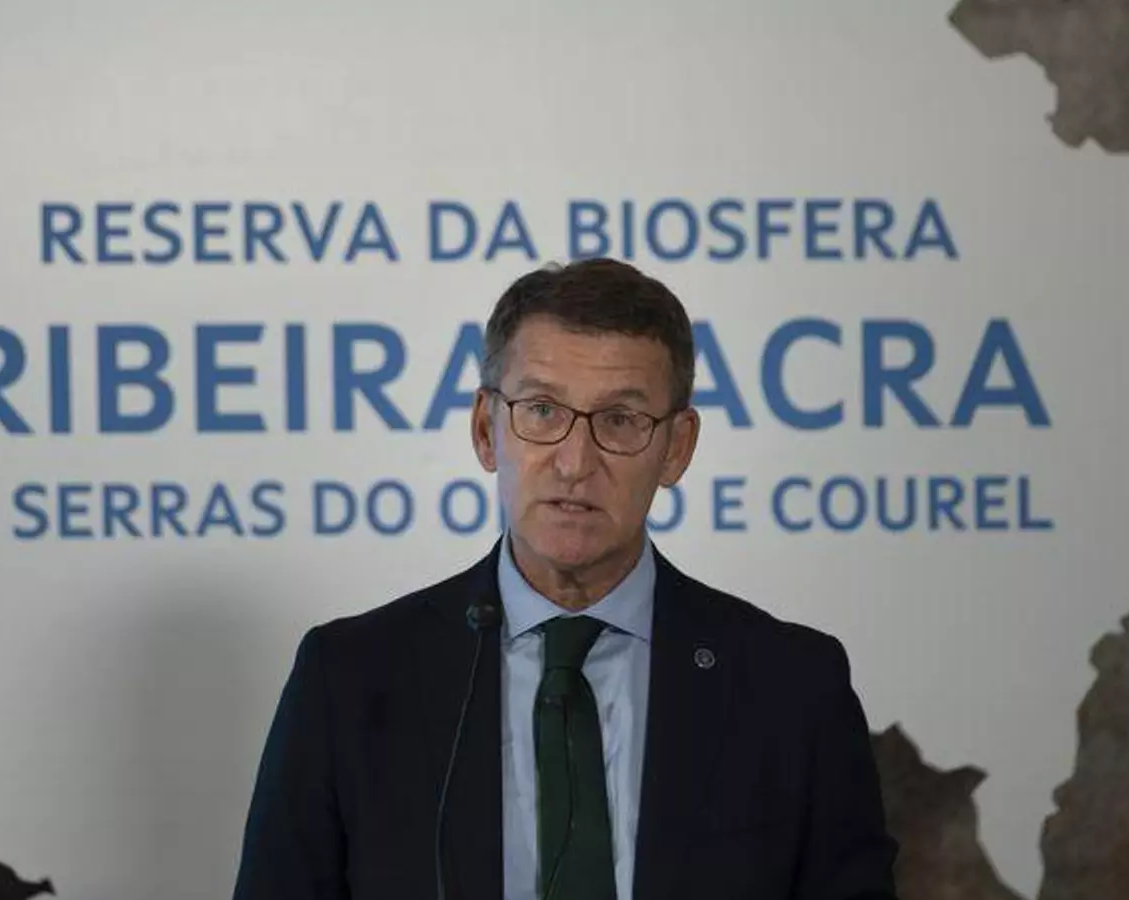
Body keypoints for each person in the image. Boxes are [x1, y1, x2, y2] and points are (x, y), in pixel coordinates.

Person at [231, 258, 899, 900]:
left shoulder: (792, 689)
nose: (575, 463)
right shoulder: (351, 679)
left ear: (677, 448)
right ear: (486, 430)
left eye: (620, 420)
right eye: (543, 411)